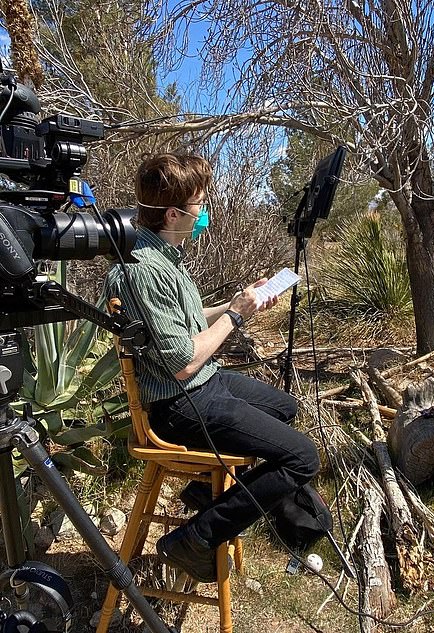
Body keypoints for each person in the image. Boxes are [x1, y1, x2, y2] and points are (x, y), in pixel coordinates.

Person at [104, 153, 320, 582]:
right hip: (179, 402)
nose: (205, 212)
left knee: (285, 408)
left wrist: (236, 303)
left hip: (205, 384)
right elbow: (183, 362)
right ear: (172, 213)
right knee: (302, 456)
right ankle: (197, 537)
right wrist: (235, 317)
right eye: (200, 204)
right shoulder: (143, 269)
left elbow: (181, 321)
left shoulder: (161, 253)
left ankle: (209, 493)